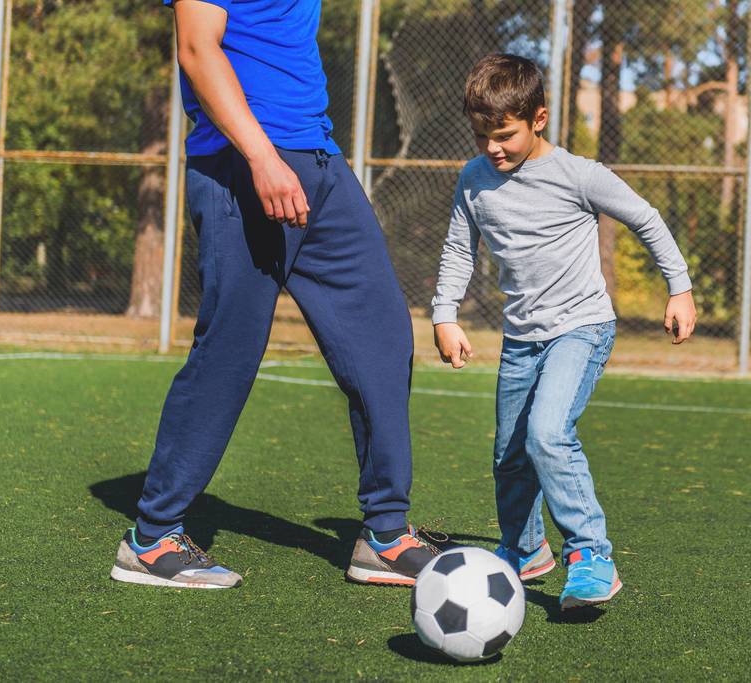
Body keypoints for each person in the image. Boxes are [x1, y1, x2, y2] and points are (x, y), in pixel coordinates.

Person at [109, 0, 437, 589]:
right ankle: (152, 539)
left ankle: (386, 534)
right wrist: (261, 156)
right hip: (243, 163)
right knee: (229, 352)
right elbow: (196, 48)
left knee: (383, 335)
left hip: (319, 157)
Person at [432, 54, 697, 610]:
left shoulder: (580, 174)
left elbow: (645, 218)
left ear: (539, 118)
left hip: (581, 327)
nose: (492, 148)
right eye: (482, 135)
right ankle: (526, 551)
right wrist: (445, 315)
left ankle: (591, 553)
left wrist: (679, 286)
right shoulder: (474, 180)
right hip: (521, 338)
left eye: (504, 135)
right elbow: (460, 248)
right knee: (509, 455)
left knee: (547, 434)